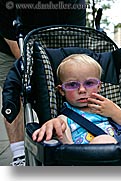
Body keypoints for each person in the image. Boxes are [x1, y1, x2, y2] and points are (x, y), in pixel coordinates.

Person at [0, 0, 86, 166]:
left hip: (54, 42)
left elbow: (76, 36)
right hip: (11, 46)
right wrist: (30, 67)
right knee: (15, 90)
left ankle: (65, 139)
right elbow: (10, 37)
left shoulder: (75, 2)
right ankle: (19, 154)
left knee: (63, 86)